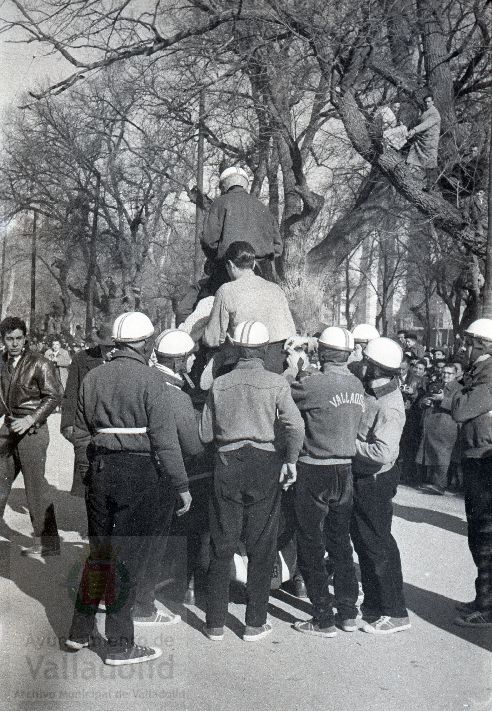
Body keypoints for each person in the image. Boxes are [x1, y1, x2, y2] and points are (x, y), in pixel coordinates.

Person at [66, 312, 192, 666]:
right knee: (127, 560)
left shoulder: (92, 377)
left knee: (100, 554)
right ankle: (121, 644)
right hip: (139, 473)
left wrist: (88, 470)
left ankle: (80, 630)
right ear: (146, 343)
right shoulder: (152, 380)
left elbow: (80, 431)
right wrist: (182, 485)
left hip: (101, 469)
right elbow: (165, 441)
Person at [200, 320, 304, 642]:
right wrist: (289, 460)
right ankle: (255, 622)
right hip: (264, 463)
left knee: (222, 542)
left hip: (227, 462)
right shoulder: (276, 383)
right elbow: (296, 427)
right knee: (262, 545)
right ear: (264, 349)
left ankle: (215, 623)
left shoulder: (219, 384)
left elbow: (204, 433)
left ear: (236, 347)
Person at [290, 327, 365, 637]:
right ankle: (348, 612)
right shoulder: (357, 384)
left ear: (321, 352)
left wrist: (295, 366)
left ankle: (322, 616)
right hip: (345, 470)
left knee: (309, 542)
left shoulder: (314, 384)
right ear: (347, 355)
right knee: (340, 543)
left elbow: (285, 394)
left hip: (315, 468)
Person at [134, 329, 205, 620]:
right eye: (188, 359)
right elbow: (193, 445)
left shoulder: (141, 381)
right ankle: (143, 605)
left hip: (131, 467)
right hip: (161, 474)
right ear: (177, 362)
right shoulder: (177, 397)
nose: (190, 364)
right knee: (155, 541)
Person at [351, 337, 410, 634]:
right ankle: (375, 604)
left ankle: (395, 612)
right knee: (364, 541)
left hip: (375, 479)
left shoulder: (389, 405)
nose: (361, 365)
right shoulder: (374, 392)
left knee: (378, 544)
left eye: (366, 362)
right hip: (365, 478)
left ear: (375, 368)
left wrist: (348, 446)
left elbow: (382, 453)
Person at [0, 317, 63, 559]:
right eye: (9, 339)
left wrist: (30, 419)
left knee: (35, 487)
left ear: (25, 338)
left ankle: (47, 542)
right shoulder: (1, 363)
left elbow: (54, 396)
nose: (14, 343)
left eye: (18, 338)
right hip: (8, 428)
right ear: (3, 340)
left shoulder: (40, 363)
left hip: (33, 429)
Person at [452, 318, 492, 628]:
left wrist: (455, 392)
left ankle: (488, 606)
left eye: (470, 342)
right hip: (476, 455)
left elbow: (461, 410)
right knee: (478, 532)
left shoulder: (488, 376)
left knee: (485, 535)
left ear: (483, 345)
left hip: (484, 459)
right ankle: (483, 598)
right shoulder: (478, 373)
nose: (465, 347)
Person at [203, 241, 296, 373]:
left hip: (245, 364)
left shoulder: (226, 290)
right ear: (253, 264)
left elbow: (212, 339)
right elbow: (291, 333)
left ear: (230, 265)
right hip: (278, 365)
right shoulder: (276, 289)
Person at [201, 166, 283, 289]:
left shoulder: (220, 203)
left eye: (221, 186)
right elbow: (277, 247)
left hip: (227, 272)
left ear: (225, 185)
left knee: (201, 302)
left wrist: (217, 260)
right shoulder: (263, 208)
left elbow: (208, 241)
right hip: (259, 274)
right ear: (245, 185)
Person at [60, 323, 115, 496]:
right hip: (88, 427)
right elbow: (71, 393)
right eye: (106, 347)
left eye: (114, 347)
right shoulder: (81, 359)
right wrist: (68, 424)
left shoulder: (125, 363)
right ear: (99, 343)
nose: (110, 351)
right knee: (88, 483)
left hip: (114, 427)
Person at [416, 364, 462, 494]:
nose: (446, 375)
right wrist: (424, 402)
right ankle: (433, 481)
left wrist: (443, 400)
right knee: (433, 454)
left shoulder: (460, 389)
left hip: (447, 426)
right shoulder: (436, 385)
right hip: (432, 425)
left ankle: (440, 485)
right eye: (444, 373)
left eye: (449, 373)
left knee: (444, 456)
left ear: (456, 374)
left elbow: (460, 407)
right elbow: (423, 399)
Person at [406, 92, 441, 191]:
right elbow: (419, 122)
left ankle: (430, 185)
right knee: (412, 155)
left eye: (429, 102)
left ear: (433, 102)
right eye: (425, 102)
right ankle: (407, 177)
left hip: (430, 142)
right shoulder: (425, 112)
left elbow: (426, 124)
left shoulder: (435, 113)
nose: (427, 104)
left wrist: (414, 130)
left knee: (430, 163)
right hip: (421, 140)